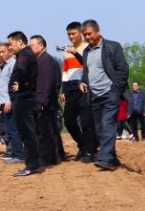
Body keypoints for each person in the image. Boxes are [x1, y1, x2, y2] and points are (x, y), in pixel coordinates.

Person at [79, 19, 129, 171]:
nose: (87, 37)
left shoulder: (112, 47)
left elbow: (123, 70)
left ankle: (105, 159)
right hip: (95, 96)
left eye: (89, 34)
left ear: (98, 31)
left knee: (108, 124)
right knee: (100, 129)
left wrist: (115, 90)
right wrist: (82, 82)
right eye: (85, 35)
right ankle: (112, 159)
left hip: (110, 93)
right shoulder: (86, 52)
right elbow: (87, 72)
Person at [8, 31, 42, 177]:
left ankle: (32, 166)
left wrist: (20, 85)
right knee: (27, 133)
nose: (10, 47)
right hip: (24, 98)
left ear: (20, 42)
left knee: (27, 133)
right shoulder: (26, 54)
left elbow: (22, 70)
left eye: (11, 44)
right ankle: (33, 164)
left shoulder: (24, 54)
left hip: (24, 99)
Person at [62, 21, 96, 161]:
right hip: (70, 88)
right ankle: (83, 145)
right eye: (69, 34)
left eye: (73, 34)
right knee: (68, 120)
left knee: (86, 121)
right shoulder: (66, 52)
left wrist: (75, 53)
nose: (71, 37)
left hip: (85, 88)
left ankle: (89, 151)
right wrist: (63, 90)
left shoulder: (87, 48)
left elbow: (89, 65)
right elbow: (65, 71)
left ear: (80, 33)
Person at [31, 35, 62, 166]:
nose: (30, 48)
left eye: (32, 45)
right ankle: (56, 156)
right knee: (49, 130)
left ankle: (49, 157)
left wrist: (42, 101)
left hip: (46, 102)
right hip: (45, 100)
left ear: (42, 45)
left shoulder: (46, 60)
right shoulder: (40, 60)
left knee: (46, 131)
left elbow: (48, 83)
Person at [0, 43, 25, 164]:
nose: (0, 54)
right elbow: (1, 86)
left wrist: (9, 101)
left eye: (3, 52)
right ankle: (15, 152)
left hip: (10, 102)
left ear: (10, 52)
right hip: (3, 102)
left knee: (14, 129)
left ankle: (19, 155)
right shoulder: (3, 66)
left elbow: (13, 85)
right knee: (10, 129)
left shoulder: (13, 64)